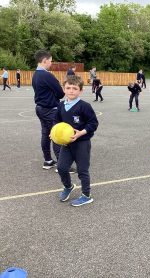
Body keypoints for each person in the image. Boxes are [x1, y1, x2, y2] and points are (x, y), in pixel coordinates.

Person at [55, 75, 98, 206]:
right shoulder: (61, 105)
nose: (71, 91)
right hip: (67, 144)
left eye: (74, 88)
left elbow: (93, 123)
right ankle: (68, 186)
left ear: (80, 91)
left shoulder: (84, 106)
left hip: (82, 143)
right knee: (61, 167)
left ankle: (86, 195)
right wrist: (54, 133)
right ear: (64, 89)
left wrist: (81, 133)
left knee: (82, 170)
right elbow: (56, 122)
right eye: (68, 88)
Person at [32, 50, 64, 169]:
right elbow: (60, 93)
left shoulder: (35, 74)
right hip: (50, 109)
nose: (51, 63)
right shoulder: (47, 75)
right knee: (56, 134)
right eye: (50, 61)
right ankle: (61, 165)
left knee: (46, 134)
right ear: (44, 61)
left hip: (40, 108)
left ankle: (48, 161)